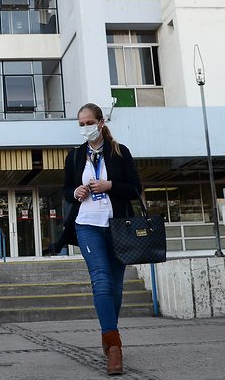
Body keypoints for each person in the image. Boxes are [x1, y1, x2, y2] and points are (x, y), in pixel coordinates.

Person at [55, 103, 141, 376]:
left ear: (101, 122)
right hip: (87, 225)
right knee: (101, 280)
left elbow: (135, 189)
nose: (85, 128)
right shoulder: (75, 156)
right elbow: (66, 190)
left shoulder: (119, 152)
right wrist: (76, 192)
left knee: (115, 288)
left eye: (89, 122)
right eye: (80, 124)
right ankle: (114, 347)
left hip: (118, 226)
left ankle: (108, 335)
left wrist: (110, 186)